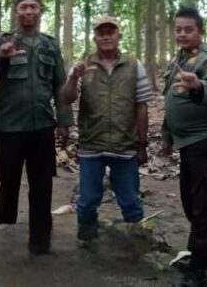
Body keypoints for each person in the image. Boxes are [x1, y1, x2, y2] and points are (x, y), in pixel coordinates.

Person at [0, 0, 74, 255]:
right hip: (9, 125)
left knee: (42, 183)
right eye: (23, 7)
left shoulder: (49, 45)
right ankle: (6, 215)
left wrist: (64, 121)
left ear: (41, 10)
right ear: (16, 11)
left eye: (33, 6)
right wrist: (2, 56)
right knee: (8, 176)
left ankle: (40, 240)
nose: (29, 11)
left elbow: (59, 83)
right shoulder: (3, 40)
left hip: (42, 125)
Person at [61, 16, 153, 243]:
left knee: (130, 200)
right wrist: (73, 77)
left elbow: (141, 106)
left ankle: (136, 244)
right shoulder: (83, 66)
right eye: (101, 33)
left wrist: (142, 144)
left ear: (118, 36)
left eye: (110, 32)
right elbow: (67, 98)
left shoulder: (134, 65)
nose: (106, 37)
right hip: (92, 144)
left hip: (125, 145)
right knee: (87, 201)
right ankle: (87, 242)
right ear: (94, 38)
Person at [160, 7, 207, 287]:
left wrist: (200, 85)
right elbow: (172, 100)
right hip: (189, 144)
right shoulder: (179, 60)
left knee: (203, 206)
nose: (182, 34)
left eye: (188, 29)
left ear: (200, 31)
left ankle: (201, 268)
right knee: (192, 203)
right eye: (178, 29)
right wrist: (167, 136)